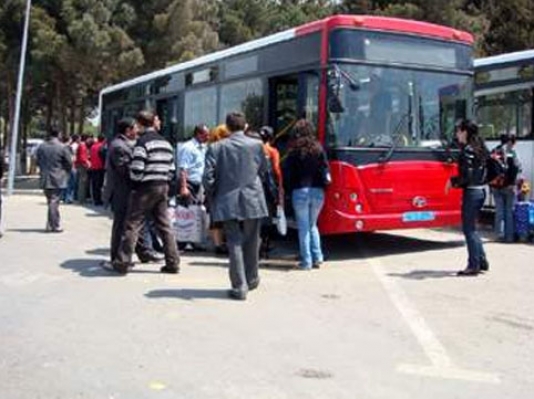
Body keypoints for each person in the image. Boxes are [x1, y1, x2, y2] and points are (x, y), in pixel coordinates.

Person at [203, 112, 268, 300]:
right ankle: (252, 278)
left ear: (227, 127)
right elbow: (264, 170)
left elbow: (207, 178)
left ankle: (240, 287)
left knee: (234, 242)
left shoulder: (216, 147)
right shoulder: (257, 145)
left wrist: (215, 194)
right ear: (245, 126)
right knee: (252, 240)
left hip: (227, 200)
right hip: (253, 198)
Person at [113, 110, 180, 275]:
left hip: (145, 188)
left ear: (141, 124)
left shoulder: (142, 143)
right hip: (162, 186)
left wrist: (136, 184)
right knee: (165, 225)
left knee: (132, 224)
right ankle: (173, 263)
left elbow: (136, 170)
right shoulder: (166, 143)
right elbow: (172, 169)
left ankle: (122, 262)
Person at [103, 117, 163, 266]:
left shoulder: (125, 144)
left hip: (130, 191)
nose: (138, 131)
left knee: (136, 223)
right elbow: (125, 171)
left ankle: (144, 252)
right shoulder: (119, 147)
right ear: (128, 130)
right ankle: (116, 258)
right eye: (136, 128)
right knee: (121, 225)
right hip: (122, 192)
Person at [446, 119, 489, 276]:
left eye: (458, 130)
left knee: (469, 229)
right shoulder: (480, 148)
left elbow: (466, 176)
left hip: (471, 193)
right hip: (481, 191)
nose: (457, 134)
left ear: (464, 132)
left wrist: (452, 181)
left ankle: (473, 265)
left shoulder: (467, 152)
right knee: (473, 229)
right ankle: (481, 261)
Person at [285, 119, 330, 270]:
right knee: (313, 225)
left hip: (300, 191)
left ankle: (307, 261)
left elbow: (288, 174)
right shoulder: (318, 149)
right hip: (318, 192)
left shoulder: (294, 151)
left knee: (303, 228)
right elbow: (325, 169)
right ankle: (318, 257)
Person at [36, 129, 73, 233]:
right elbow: (69, 163)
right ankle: (54, 225)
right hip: (57, 177)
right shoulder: (62, 147)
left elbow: (38, 161)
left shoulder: (42, 147)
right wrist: (66, 172)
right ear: (59, 134)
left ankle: (50, 223)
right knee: (54, 201)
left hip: (44, 177)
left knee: (50, 201)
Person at [258, 126, 284, 258]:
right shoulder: (273, 151)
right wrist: (280, 187)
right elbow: (276, 170)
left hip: (254, 188)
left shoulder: (253, 150)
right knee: (267, 218)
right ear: (271, 138)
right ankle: (265, 245)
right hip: (267, 189)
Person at [491, 134, 521, 243]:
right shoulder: (510, 152)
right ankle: (509, 237)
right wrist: (513, 183)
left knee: (499, 210)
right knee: (508, 211)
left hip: (496, 186)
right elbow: (515, 167)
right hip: (508, 186)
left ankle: (498, 235)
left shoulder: (494, 151)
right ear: (511, 142)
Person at [206, 124, 231, 254]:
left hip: (215, 188)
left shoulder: (212, 147)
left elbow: (208, 174)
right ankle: (224, 243)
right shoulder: (227, 148)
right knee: (226, 217)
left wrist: (209, 189)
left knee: (215, 217)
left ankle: (218, 244)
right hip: (226, 188)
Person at [178, 124, 209, 204]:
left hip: (199, 184)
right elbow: (183, 168)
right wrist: (183, 187)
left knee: (198, 211)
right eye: (206, 135)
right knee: (189, 211)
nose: (208, 138)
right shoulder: (188, 147)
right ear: (199, 134)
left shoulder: (203, 147)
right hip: (189, 183)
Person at [89, 135, 106, 206]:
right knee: (99, 185)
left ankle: (94, 199)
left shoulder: (93, 146)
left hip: (93, 167)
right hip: (100, 167)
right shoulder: (101, 147)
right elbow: (103, 157)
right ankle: (98, 200)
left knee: (94, 184)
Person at [75, 134, 91, 204]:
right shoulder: (82, 146)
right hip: (82, 166)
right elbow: (82, 157)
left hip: (81, 165)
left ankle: (81, 198)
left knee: (82, 182)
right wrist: (87, 162)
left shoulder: (81, 145)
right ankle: (81, 199)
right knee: (82, 183)